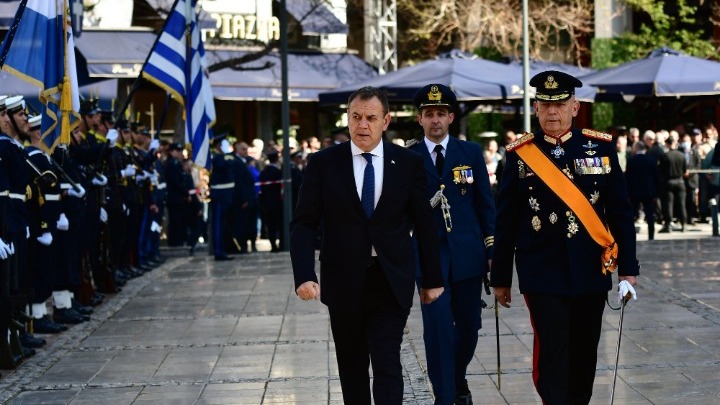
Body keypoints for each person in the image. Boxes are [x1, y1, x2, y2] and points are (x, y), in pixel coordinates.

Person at [490, 71, 639, 405]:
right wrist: (500, 277)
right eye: (545, 105)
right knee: (553, 353)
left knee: (584, 354)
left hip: (590, 269)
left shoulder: (599, 147)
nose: (552, 112)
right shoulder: (519, 154)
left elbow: (620, 212)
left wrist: (628, 270)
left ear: (575, 107)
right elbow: (506, 220)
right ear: (536, 109)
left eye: (559, 105)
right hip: (542, 272)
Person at [290, 86, 444, 404]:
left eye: (371, 118)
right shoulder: (323, 163)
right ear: (347, 119)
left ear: (385, 121)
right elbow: (303, 223)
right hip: (343, 279)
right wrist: (304, 275)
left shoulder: (408, 163)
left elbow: (425, 224)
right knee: (352, 365)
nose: (362, 125)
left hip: (391, 279)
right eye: (356, 117)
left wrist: (432, 279)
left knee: (387, 362)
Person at [407, 84, 495, 405]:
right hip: (429, 260)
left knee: (469, 328)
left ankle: (456, 381)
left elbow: (485, 204)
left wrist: (492, 250)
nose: (435, 120)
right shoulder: (408, 157)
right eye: (429, 114)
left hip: (468, 256)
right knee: (438, 330)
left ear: (451, 117)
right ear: (420, 119)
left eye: (441, 114)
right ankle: (445, 398)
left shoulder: (470, 152)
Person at [626, 141, 660, 239]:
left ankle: (630, 235)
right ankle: (651, 235)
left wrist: (628, 193)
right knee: (650, 214)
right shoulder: (651, 160)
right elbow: (656, 178)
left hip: (634, 192)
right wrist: (656, 193)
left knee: (632, 214)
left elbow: (628, 178)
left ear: (636, 148)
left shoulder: (631, 161)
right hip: (648, 191)